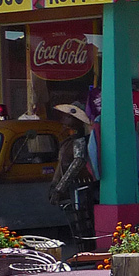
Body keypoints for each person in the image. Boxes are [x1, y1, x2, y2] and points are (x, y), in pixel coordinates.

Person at [49, 103, 98, 246]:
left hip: (83, 185)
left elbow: (78, 162)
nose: (65, 120)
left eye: (69, 117)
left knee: (84, 219)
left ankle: (88, 248)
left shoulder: (80, 140)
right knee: (77, 220)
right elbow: (61, 166)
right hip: (73, 187)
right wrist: (55, 184)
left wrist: (60, 187)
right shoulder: (67, 142)